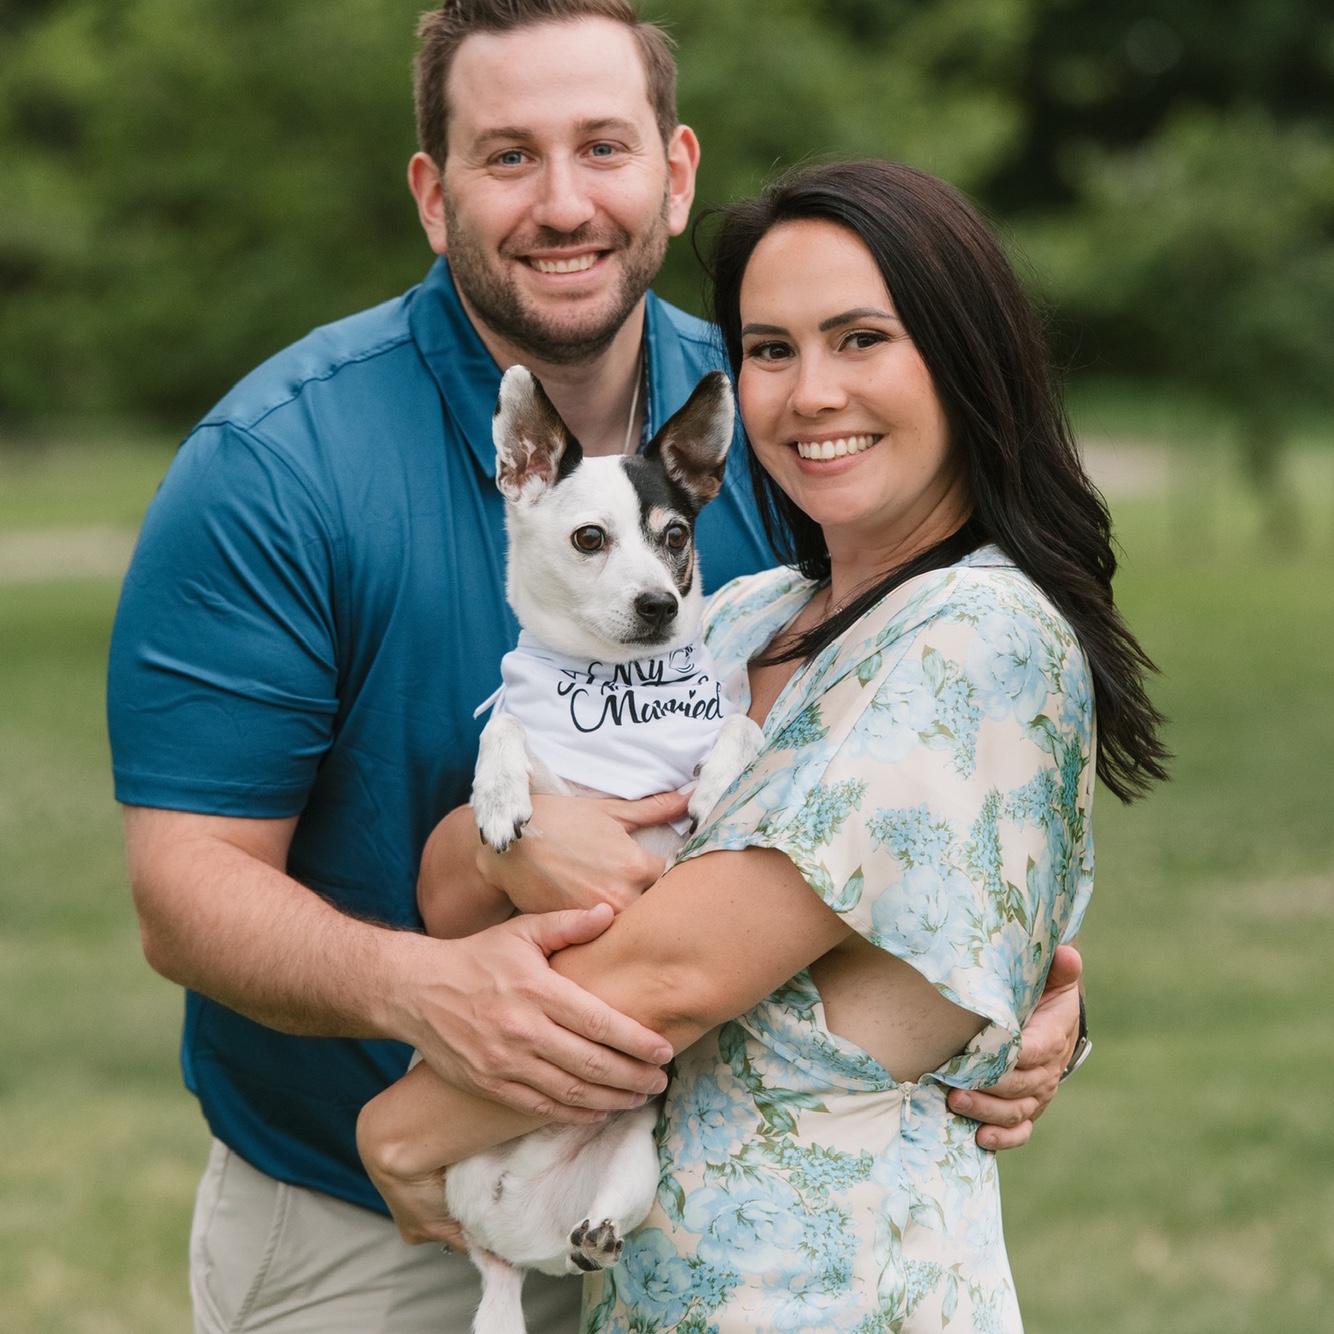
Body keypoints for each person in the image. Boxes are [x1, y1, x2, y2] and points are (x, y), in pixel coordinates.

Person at [107, 4, 1086, 1330]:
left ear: (674, 175)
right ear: (432, 195)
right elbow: (186, 892)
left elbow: (916, 776)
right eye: (508, 155)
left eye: (602, 147)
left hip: (701, 1226)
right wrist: (431, 999)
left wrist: (1006, 992)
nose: (563, 202)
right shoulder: (277, 468)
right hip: (376, 1223)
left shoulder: (778, 430)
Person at [357, 158, 1168, 1330]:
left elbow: (667, 977)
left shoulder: (974, 633)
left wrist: (400, 1125)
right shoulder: (736, 618)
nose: (810, 392)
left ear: (961, 356)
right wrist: (514, 845)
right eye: (770, 349)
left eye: (859, 339)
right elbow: (447, 882)